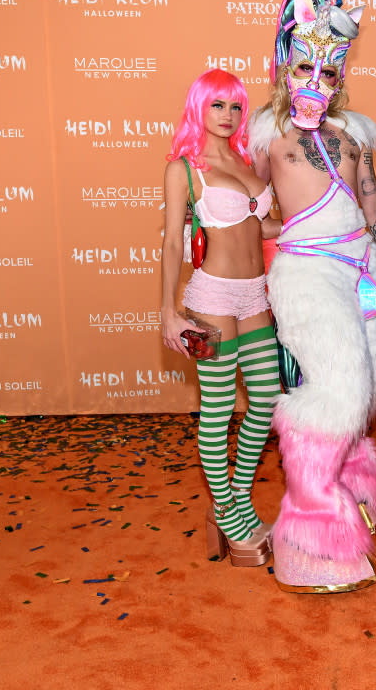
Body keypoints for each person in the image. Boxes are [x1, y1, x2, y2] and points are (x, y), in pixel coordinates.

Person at [247, 0, 376, 593]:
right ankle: (310, 534)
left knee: (370, 381)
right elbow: (247, 200)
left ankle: (349, 486)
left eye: (327, 73)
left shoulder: (356, 134)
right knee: (338, 385)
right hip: (306, 271)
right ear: (285, 63)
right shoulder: (263, 132)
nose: (316, 82)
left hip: (364, 269)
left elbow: (372, 204)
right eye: (305, 68)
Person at [159, 68, 282, 567]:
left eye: (235, 106)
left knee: (267, 398)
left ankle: (240, 504)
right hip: (211, 298)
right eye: (218, 105)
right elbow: (171, 242)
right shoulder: (183, 169)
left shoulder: (247, 158)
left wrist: (315, 222)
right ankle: (229, 518)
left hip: (257, 296)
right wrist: (168, 310)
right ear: (198, 108)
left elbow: (261, 224)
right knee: (217, 409)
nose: (229, 116)